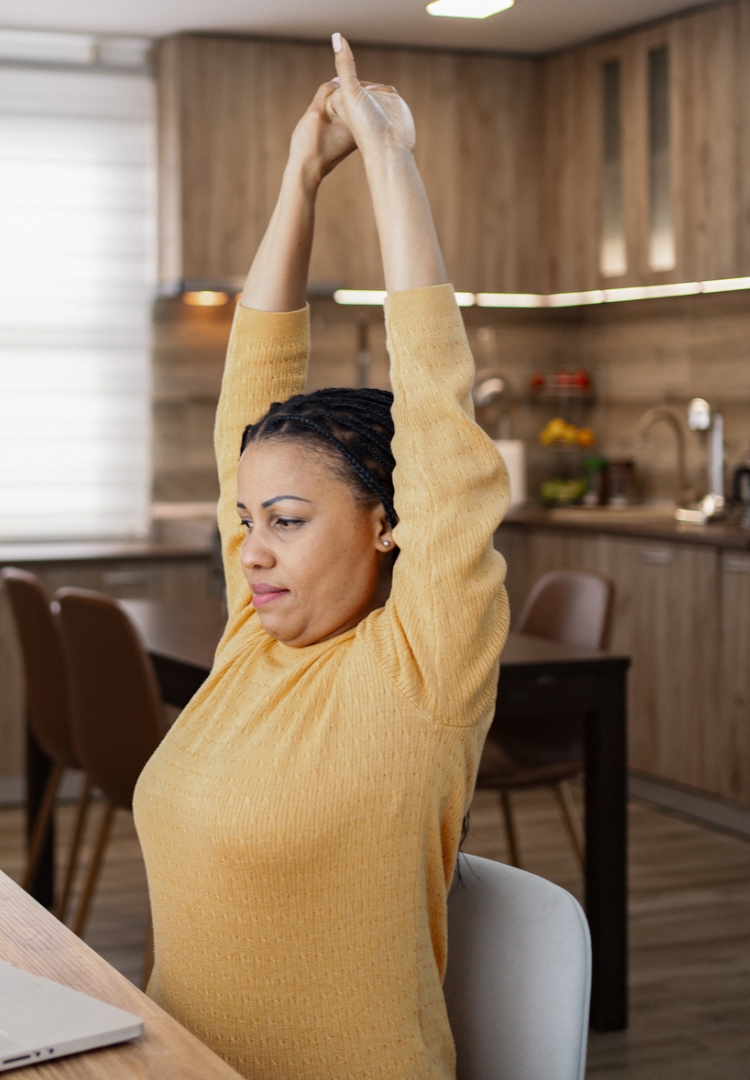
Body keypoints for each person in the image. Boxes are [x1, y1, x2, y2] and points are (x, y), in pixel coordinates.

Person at [132, 34, 512, 1080]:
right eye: (248, 521)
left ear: (388, 522)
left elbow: (437, 418)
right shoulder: (252, 639)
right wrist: (300, 179)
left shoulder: (423, 670)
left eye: (288, 521)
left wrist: (390, 162)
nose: (252, 551)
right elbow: (250, 393)